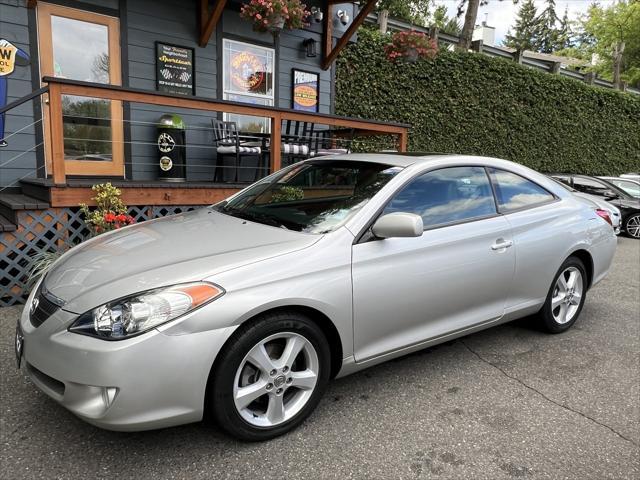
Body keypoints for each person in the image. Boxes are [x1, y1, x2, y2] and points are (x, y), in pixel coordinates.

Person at [0, 39, 31, 147]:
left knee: (1, 110)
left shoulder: (4, 44)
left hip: (2, 78)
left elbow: (26, 59)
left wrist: (12, 48)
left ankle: (0, 138)